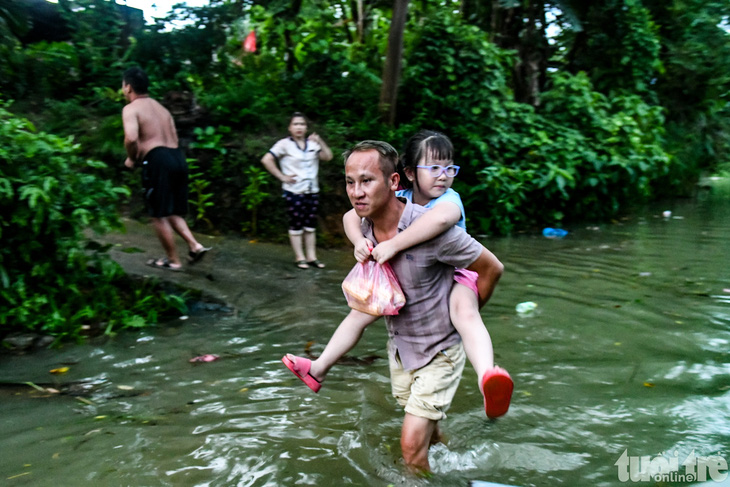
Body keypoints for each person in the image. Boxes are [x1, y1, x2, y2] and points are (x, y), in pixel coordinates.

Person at [283, 140, 506, 473]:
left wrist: (468, 312)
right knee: (427, 439)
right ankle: (454, 468)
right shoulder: (364, 227)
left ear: (393, 182)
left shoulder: (433, 228)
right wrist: (360, 242)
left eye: (367, 180)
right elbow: (349, 220)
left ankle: (484, 378)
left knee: (410, 447)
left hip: (441, 351)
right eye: (350, 182)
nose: (356, 191)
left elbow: (491, 268)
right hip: (401, 350)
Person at [121, 66, 210, 271]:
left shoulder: (131, 109)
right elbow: (175, 138)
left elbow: (131, 138)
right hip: (178, 158)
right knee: (170, 209)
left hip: (158, 159)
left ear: (127, 88)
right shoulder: (162, 109)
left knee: (157, 214)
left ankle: (174, 261)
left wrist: (131, 158)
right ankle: (195, 246)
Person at [261, 113, 333, 269]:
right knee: (296, 224)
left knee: (310, 225)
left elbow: (328, 157)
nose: (299, 127)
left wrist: (319, 140)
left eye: (302, 124)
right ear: (289, 127)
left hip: (311, 190)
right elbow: (266, 159)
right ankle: (299, 257)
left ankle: (312, 256)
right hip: (294, 191)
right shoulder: (284, 144)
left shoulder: (312, 144)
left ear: (306, 127)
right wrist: (282, 176)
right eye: (295, 124)